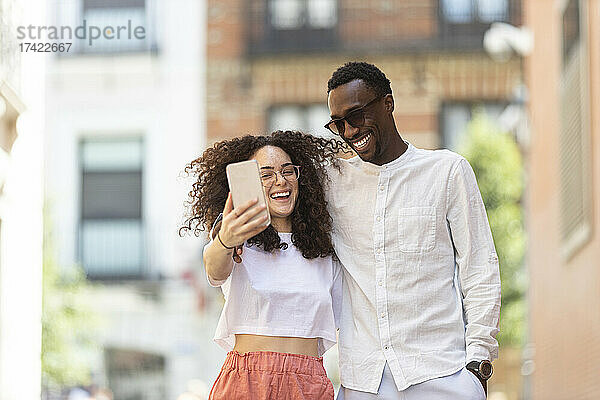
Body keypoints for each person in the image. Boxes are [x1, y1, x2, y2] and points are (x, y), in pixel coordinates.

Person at [323, 61, 501, 399]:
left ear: (387, 103)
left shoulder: (447, 172)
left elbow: (480, 270)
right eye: (339, 124)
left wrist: (478, 364)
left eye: (357, 116)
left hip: (442, 375)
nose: (349, 132)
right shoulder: (334, 184)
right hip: (364, 383)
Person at [180, 131, 347, 400]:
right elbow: (213, 270)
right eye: (266, 174)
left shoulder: (325, 250)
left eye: (287, 171)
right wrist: (225, 239)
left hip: (308, 383)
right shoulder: (235, 240)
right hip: (247, 380)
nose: (280, 181)